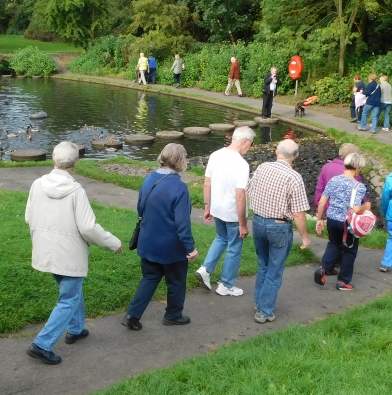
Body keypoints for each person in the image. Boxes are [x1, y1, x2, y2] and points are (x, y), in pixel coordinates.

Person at [25, 142, 122, 365]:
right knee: (68, 298)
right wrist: (113, 242)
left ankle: (76, 329)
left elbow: (29, 216)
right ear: (75, 164)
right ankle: (42, 343)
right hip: (69, 253)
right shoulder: (76, 191)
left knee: (71, 291)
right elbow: (88, 227)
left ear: (53, 160)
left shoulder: (37, 184)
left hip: (45, 249)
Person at [122, 144, 197, 330]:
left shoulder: (149, 179)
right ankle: (173, 315)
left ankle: (132, 315)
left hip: (147, 241)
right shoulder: (179, 187)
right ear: (181, 161)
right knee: (177, 280)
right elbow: (183, 224)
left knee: (149, 277)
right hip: (171, 246)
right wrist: (190, 248)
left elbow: (141, 208)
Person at [246, 139, 311, 322]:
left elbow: (250, 190)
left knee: (263, 265)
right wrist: (305, 237)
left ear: (276, 152)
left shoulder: (263, 167)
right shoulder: (294, 177)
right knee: (275, 269)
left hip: (258, 221)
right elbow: (298, 213)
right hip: (279, 226)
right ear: (296, 156)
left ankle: (259, 301)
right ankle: (264, 311)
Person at [195, 126, 254, 296]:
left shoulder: (215, 155)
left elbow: (207, 184)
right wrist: (243, 223)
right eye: (250, 144)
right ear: (244, 141)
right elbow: (240, 196)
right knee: (234, 247)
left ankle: (206, 269)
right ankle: (226, 285)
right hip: (232, 213)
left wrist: (208, 207)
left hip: (217, 208)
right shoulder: (242, 165)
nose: (249, 148)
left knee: (221, 238)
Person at [313, 153, 370, 291]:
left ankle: (323, 267)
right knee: (350, 251)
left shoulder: (333, 180)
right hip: (347, 223)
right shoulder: (359, 187)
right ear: (356, 169)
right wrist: (365, 207)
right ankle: (343, 281)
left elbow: (322, 202)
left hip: (332, 219)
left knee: (334, 244)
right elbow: (356, 209)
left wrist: (320, 219)